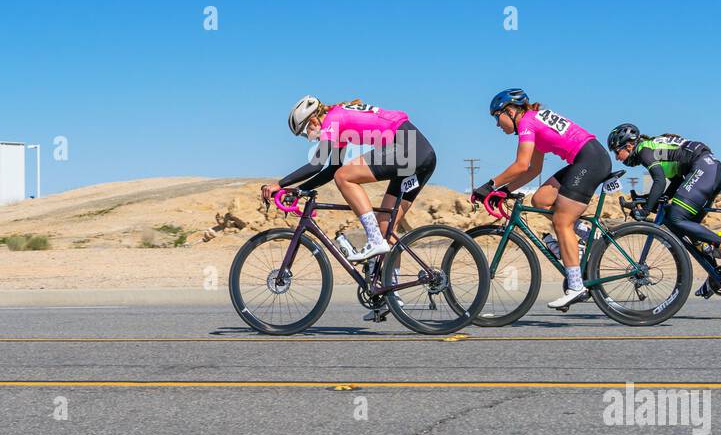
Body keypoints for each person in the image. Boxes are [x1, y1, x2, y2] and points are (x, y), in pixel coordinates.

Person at [261, 96, 437, 320]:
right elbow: (329, 167)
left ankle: (374, 240)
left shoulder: (333, 119)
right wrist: (301, 190)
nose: (309, 137)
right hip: (419, 152)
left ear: (314, 120)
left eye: (306, 132)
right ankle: (391, 297)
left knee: (345, 178)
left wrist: (280, 184)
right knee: (386, 226)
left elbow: (318, 163)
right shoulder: (338, 124)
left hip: (408, 147)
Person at [474, 89, 611, 309]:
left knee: (561, 222)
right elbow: (533, 170)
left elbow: (521, 165)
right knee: (540, 199)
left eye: (496, 117)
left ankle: (576, 286)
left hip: (589, 161)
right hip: (587, 159)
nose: (497, 125)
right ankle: (586, 237)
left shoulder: (528, 122)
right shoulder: (532, 121)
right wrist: (505, 190)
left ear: (509, 111)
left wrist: (489, 185)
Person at [607, 123, 721, 277]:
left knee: (676, 217)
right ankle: (716, 277)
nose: (617, 158)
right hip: (710, 169)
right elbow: (675, 183)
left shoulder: (644, 150)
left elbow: (659, 181)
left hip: (705, 168)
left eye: (617, 152)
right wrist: (649, 201)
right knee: (684, 225)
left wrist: (646, 210)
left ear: (629, 146)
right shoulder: (656, 151)